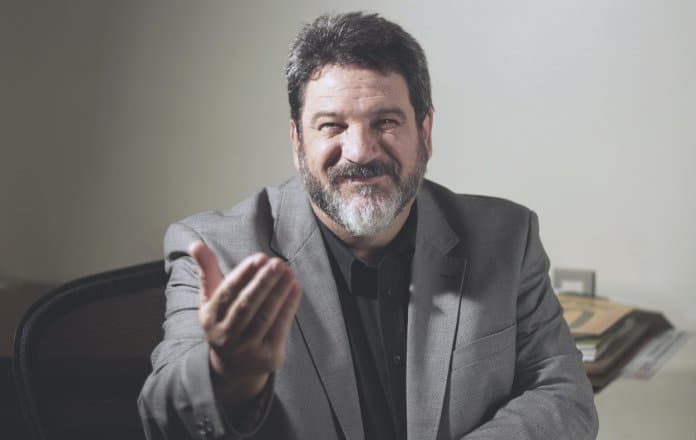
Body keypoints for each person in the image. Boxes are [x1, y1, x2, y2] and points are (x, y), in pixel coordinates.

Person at [138, 12, 598, 440]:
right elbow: (161, 420)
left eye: (385, 122)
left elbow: (565, 397)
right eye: (331, 126)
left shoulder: (507, 238)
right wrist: (227, 374)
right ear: (297, 142)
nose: (360, 151)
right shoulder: (215, 251)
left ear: (425, 133)